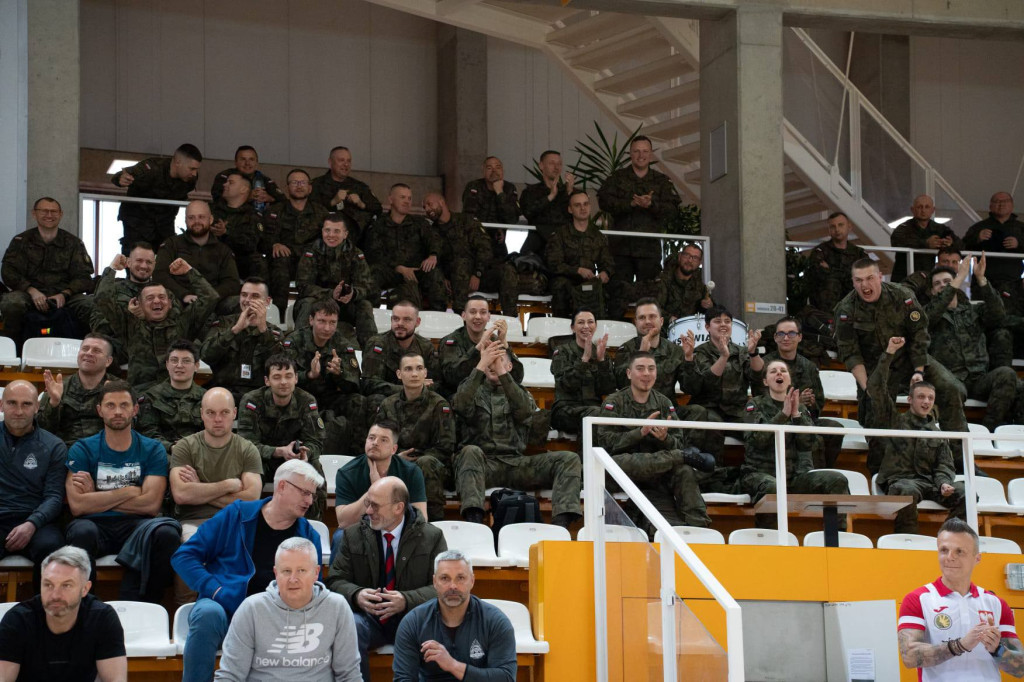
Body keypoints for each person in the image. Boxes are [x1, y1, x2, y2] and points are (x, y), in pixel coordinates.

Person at [171, 459, 325, 682]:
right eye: (304, 493)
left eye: (312, 495)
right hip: (224, 607)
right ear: (282, 486)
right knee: (207, 614)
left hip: (280, 616)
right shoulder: (236, 515)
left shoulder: (309, 536)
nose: (309, 500)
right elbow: (183, 556)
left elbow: (314, 586)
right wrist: (215, 590)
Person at [834, 259, 968, 474]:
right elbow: (850, 353)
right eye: (858, 280)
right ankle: (881, 472)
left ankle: (962, 461)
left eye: (869, 278)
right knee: (875, 413)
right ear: (853, 282)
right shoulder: (846, 309)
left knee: (951, 387)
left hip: (908, 357)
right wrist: (868, 387)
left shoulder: (902, 296)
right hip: (875, 368)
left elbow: (919, 334)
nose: (864, 285)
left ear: (880, 277)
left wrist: (919, 371)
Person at [64, 380, 181, 602]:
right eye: (110, 405)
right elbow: (78, 506)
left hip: (136, 525)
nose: (117, 411)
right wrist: (129, 491)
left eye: (124, 405)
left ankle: (147, 605)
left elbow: (150, 505)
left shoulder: (152, 448)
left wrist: (96, 494)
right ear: (99, 410)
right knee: (81, 531)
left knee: (166, 534)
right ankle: (86, 606)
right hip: (94, 525)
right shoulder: (82, 448)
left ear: (135, 409)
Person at [326, 476, 447, 681]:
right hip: (369, 619)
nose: (368, 511)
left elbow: (443, 587)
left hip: (415, 619)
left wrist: (406, 600)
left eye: (375, 505)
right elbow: (335, 581)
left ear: (398, 508)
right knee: (350, 627)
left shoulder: (432, 536)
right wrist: (356, 595)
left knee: (438, 633)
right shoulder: (352, 535)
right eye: (367, 503)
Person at [452, 341, 582, 528]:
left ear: (509, 366)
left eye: (499, 360)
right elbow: (461, 405)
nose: (493, 364)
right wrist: (481, 363)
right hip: (483, 464)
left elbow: (524, 412)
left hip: (517, 465)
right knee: (469, 452)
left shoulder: (519, 392)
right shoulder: (472, 389)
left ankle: (560, 527)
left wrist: (502, 373)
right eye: (490, 360)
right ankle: (475, 523)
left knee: (568, 459)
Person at [214, 537, 361, 682]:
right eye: (286, 571)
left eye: (301, 570)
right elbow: (230, 676)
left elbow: (349, 675)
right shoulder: (252, 608)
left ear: (316, 572)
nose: (293, 579)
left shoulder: (336, 607)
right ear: (276, 573)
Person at [597, 352, 714, 530]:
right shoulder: (614, 402)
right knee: (621, 461)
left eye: (651, 369)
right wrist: (640, 432)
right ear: (629, 373)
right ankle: (680, 456)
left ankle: (699, 528)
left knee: (684, 470)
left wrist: (665, 438)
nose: (646, 373)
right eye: (640, 368)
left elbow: (678, 441)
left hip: (657, 473)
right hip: (623, 471)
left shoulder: (664, 403)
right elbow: (606, 443)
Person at [897, 518, 1024, 680]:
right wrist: (960, 645)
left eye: (959, 551)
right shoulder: (917, 599)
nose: (950, 557)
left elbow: (1021, 668)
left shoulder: (996, 603)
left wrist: (997, 650)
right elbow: (909, 656)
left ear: (977, 558)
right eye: (944, 550)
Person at [740, 360, 850, 528]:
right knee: (773, 487)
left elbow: (808, 444)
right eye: (773, 371)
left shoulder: (800, 408)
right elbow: (757, 441)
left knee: (837, 480)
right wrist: (783, 415)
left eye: (783, 370)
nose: (779, 373)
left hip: (795, 477)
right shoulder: (754, 405)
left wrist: (796, 415)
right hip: (760, 473)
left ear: (789, 380)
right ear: (765, 381)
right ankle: (770, 540)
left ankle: (836, 537)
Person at [872, 337, 967, 533]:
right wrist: (889, 353)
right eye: (921, 397)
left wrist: (944, 483)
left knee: (965, 493)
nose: (926, 402)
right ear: (909, 399)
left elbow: (945, 465)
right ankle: (907, 542)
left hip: (930, 484)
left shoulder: (937, 432)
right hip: (900, 481)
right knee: (907, 490)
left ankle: (950, 537)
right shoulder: (893, 421)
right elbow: (877, 389)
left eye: (930, 398)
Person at [0, 546, 127, 682]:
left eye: (66, 585)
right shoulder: (17, 620)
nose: (55, 595)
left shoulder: (102, 618)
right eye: (48, 584)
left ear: (85, 589)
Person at [925, 257, 1020, 431]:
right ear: (932, 291)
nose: (943, 285)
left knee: (1007, 375)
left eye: (947, 281)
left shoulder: (973, 311)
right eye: (937, 283)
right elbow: (930, 316)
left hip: (979, 379)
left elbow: (998, 314)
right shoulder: (928, 314)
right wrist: (957, 279)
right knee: (953, 389)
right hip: (952, 380)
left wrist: (981, 280)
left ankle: (989, 431)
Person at [393, 549, 517, 682]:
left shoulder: (495, 621)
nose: (453, 586)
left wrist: (452, 665)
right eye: (445, 578)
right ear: (435, 582)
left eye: (460, 578)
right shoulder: (414, 622)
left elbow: (506, 678)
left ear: (472, 581)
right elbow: (403, 679)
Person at [94, 257, 219, 387]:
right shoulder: (129, 324)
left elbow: (210, 297)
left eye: (162, 297)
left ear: (170, 303)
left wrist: (189, 271)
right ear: (140, 305)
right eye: (150, 298)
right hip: (142, 396)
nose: (157, 301)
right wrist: (112, 269)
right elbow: (102, 299)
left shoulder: (183, 323)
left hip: (175, 395)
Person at [614, 298, 714, 454]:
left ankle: (688, 455)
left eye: (652, 317)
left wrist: (688, 359)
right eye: (642, 318)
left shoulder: (674, 350)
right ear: (635, 323)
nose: (647, 321)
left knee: (698, 411)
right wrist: (642, 353)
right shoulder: (625, 350)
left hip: (666, 411)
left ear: (661, 321)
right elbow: (621, 384)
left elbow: (691, 388)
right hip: (633, 412)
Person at [597, 136, 681, 319]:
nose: (640, 155)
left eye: (644, 151)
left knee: (650, 299)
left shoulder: (661, 181)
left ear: (650, 154)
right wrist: (630, 204)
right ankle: (614, 340)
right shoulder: (617, 178)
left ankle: (649, 342)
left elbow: (673, 209)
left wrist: (651, 204)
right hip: (620, 249)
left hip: (648, 250)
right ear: (630, 154)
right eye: (636, 151)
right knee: (616, 297)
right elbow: (603, 201)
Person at [238, 354, 327, 520]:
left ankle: (313, 522)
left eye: (288, 376)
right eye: (277, 377)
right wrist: (278, 451)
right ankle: (248, 521)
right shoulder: (252, 401)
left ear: (296, 379)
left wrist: (305, 453)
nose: (284, 382)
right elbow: (246, 445)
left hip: (297, 460)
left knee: (315, 468)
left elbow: (316, 441)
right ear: (267, 381)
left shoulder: (306, 401)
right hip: (264, 459)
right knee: (249, 468)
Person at [169, 387, 262, 541]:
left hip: (235, 521)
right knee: (195, 546)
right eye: (211, 412)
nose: (218, 419)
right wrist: (227, 485)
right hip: (193, 523)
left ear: (234, 413)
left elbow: (251, 500)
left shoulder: (247, 449)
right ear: (201, 414)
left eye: (224, 412)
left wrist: (199, 487)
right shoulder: (185, 446)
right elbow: (181, 494)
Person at [0, 197, 95, 346]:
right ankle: (12, 350)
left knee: (91, 305)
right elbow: (8, 272)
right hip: (29, 294)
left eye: (54, 211)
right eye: (44, 211)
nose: (49, 215)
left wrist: (66, 293)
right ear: (34, 213)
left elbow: (84, 276)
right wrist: (30, 290)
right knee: (12, 303)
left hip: (65, 295)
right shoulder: (21, 241)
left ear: (61, 214)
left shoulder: (73, 243)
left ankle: (85, 349)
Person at [0, 381, 67, 586]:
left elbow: (55, 497)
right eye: (12, 403)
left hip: (37, 522)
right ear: (1, 405)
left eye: (26, 404)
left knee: (53, 549)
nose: (19, 411)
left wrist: (31, 524)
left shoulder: (54, 446)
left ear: (37, 407)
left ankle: (43, 614)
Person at [283, 298, 368, 457]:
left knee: (359, 401)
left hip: (330, 396)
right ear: (311, 320)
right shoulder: (294, 341)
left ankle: (357, 455)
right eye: (322, 321)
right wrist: (308, 375)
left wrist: (339, 374)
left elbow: (355, 383)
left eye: (332, 322)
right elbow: (283, 379)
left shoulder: (342, 343)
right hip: (301, 397)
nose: (327, 328)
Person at [377, 352, 455, 522]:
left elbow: (446, 446)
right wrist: (396, 459)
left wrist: (415, 461)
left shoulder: (439, 405)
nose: (414, 374)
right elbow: (379, 441)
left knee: (426, 464)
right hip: (395, 461)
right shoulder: (388, 405)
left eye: (419, 368)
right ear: (399, 374)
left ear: (425, 373)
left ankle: (433, 524)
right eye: (408, 369)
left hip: (433, 466)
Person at [762, 316, 843, 468]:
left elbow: (819, 403)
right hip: (774, 420)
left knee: (835, 429)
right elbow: (761, 399)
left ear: (799, 337)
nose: (786, 338)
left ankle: (823, 472)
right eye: (781, 334)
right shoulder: (766, 365)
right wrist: (795, 402)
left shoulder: (809, 367)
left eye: (791, 334)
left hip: (804, 419)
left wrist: (811, 403)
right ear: (775, 337)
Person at [424, 192, 519, 317]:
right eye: (424, 207)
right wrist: (443, 277)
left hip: (479, 275)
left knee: (507, 270)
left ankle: (510, 319)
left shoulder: (466, 221)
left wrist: (477, 273)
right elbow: (431, 259)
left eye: (430, 204)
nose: (427, 209)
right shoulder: (431, 231)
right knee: (460, 264)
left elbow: (484, 248)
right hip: (453, 280)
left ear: (442, 202)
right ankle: (462, 318)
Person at [294, 211, 376, 345]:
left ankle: (370, 351)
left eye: (336, 231)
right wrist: (331, 294)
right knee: (307, 303)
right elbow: (303, 286)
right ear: (322, 231)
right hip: (317, 303)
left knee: (364, 305)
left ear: (345, 234)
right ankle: (299, 347)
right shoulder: (311, 251)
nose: (331, 235)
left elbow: (366, 286)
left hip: (344, 305)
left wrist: (352, 293)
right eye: (327, 230)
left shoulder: (356, 254)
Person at [363, 184, 447, 311]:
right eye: (403, 197)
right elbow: (373, 253)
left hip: (416, 271)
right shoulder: (378, 224)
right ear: (391, 199)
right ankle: (370, 314)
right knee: (372, 273)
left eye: (409, 198)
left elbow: (434, 240)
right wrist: (398, 268)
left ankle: (437, 316)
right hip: (390, 271)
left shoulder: (419, 222)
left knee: (435, 273)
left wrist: (433, 255)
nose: (407, 201)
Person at [201, 277, 285, 403]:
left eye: (255, 296)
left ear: (267, 301)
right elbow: (206, 355)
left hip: (260, 395)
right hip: (223, 392)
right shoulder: (223, 324)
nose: (248, 300)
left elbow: (280, 367)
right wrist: (235, 330)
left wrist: (263, 330)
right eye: (244, 295)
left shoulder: (274, 332)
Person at [333, 422, 428, 532]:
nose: (375, 443)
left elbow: (421, 519)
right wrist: (373, 490)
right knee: (340, 537)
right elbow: (343, 522)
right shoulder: (347, 473)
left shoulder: (411, 472)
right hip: (360, 530)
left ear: (394, 449)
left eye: (383, 440)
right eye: (371, 438)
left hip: (398, 530)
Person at [111, 143, 202, 253]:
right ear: (178, 162)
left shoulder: (191, 179)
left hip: (164, 224)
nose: (194, 173)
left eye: (196, 169)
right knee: (137, 260)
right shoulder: (152, 168)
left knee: (168, 259)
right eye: (191, 168)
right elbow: (121, 175)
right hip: (138, 223)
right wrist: (121, 179)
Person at [266, 168, 331, 319]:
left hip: (311, 259)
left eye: (303, 182)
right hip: (285, 259)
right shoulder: (276, 211)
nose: (299, 186)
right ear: (287, 187)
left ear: (310, 187)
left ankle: (314, 317)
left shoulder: (321, 212)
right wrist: (274, 244)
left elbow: (328, 240)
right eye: (294, 182)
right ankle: (279, 318)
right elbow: (266, 238)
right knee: (279, 264)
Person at [38, 333, 120, 447]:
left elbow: (130, 427)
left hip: (106, 449)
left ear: (108, 361)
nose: (89, 353)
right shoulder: (59, 387)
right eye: (85, 349)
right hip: (66, 451)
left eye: (96, 350)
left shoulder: (119, 389)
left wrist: (113, 404)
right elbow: (42, 430)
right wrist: (54, 403)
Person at [153, 199, 241, 305]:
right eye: (191, 217)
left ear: (211, 219)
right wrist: (184, 294)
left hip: (214, 303)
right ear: (185, 220)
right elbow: (159, 275)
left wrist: (210, 296)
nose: (196, 221)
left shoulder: (223, 250)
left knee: (241, 303)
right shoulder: (171, 244)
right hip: (179, 302)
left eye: (201, 217)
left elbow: (232, 282)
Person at [437, 296, 523, 399]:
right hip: (460, 399)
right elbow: (452, 378)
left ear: (488, 317)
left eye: (483, 312)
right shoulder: (451, 341)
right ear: (464, 316)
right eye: (473, 312)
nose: (478, 316)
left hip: (489, 399)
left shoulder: (494, 340)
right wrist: (478, 349)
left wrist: (504, 343)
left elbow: (517, 378)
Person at [545, 190, 614, 318]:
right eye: (577, 205)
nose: (583, 208)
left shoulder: (598, 236)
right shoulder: (560, 235)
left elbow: (608, 262)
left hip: (591, 282)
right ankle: (563, 332)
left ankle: (603, 331)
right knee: (560, 285)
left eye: (586, 204)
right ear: (570, 209)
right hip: (568, 281)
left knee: (615, 288)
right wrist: (577, 270)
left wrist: (605, 273)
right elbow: (554, 264)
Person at [89, 245, 161, 362]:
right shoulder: (111, 290)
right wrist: (112, 268)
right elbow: (98, 325)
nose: (144, 266)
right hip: (119, 351)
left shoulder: (163, 294)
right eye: (139, 261)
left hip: (155, 351)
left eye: (149, 262)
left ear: (154, 264)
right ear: (128, 262)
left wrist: (147, 317)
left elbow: (174, 326)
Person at [550, 308, 615, 434]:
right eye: (581, 322)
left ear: (595, 326)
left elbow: (608, 389)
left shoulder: (600, 352)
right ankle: (586, 454)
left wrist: (602, 361)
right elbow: (566, 385)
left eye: (590, 322)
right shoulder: (562, 351)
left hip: (594, 408)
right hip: (566, 410)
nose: (586, 326)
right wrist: (584, 360)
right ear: (573, 328)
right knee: (595, 415)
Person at [137, 339, 206, 455]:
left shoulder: (207, 398)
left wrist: (193, 447)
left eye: (186, 361)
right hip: (162, 454)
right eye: (174, 360)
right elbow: (148, 433)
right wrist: (172, 447)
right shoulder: (151, 396)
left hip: (200, 453)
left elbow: (213, 430)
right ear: (167, 364)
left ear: (196, 366)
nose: (179, 365)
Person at [361, 301, 440, 401]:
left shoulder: (426, 346)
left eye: (406, 319)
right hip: (387, 401)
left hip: (417, 401)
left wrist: (417, 390)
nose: (400, 323)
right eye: (396, 319)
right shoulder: (377, 344)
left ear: (417, 322)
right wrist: (410, 388)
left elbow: (436, 382)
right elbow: (369, 384)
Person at [310, 146, 383, 241]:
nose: (346, 164)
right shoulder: (317, 185)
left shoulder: (359, 186)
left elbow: (378, 208)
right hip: (323, 239)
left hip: (355, 241)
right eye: (341, 160)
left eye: (349, 161)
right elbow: (308, 210)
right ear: (330, 162)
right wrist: (333, 202)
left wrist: (362, 204)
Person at [211, 170, 271, 280]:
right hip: (212, 258)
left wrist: (226, 233)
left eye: (231, 182)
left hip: (240, 262)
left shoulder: (253, 216)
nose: (225, 184)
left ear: (243, 189)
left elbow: (250, 244)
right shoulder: (212, 210)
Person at [890, 194, 964, 283]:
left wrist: (950, 243)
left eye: (927, 207)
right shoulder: (904, 227)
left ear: (933, 210)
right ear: (912, 210)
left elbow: (961, 245)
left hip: (928, 279)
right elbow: (897, 241)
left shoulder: (940, 228)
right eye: (919, 207)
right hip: (903, 277)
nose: (923, 210)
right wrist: (925, 243)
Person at [804, 212, 865, 316]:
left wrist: (830, 270)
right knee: (831, 283)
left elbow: (864, 277)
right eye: (833, 226)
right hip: (826, 311)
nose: (837, 229)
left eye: (841, 225)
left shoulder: (859, 253)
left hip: (854, 307)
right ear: (829, 230)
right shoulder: (820, 251)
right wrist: (850, 275)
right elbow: (818, 276)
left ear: (849, 227)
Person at [461, 156, 520, 261]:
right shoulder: (474, 186)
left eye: (498, 167)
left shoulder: (509, 188)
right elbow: (469, 215)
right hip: (475, 238)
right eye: (489, 168)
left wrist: (500, 193)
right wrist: (491, 229)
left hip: (498, 241)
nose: (494, 171)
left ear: (503, 170)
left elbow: (512, 219)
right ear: (483, 171)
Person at [963, 191, 1024, 291]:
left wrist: (1019, 244)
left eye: (1005, 201)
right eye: (997, 201)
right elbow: (962, 249)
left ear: (1012, 205)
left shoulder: (1021, 228)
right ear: (990, 206)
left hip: (1014, 283)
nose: (1001, 204)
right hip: (983, 282)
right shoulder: (978, 227)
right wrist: (977, 239)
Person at [519, 149, 574, 257]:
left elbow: (575, 215)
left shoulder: (567, 191)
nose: (556, 167)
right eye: (552, 163)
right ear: (541, 166)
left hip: (563, 245)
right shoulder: (531, 191)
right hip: (537, 243)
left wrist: (569, 192)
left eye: (559, 164)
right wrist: (550, 196)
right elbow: (528, 212)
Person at [210, 145, 284, 211]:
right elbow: (217, 200)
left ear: (256, 163)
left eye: (251, 159)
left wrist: (269, 198)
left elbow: (283, 201)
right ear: (235, 162)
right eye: (243, 159)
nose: (247, 163)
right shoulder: (226, 177)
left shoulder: (264, 180)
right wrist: (246, 197)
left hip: (257, 220)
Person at [659, 241, 714, 322]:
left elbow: (709, 313)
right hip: (665, 331)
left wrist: (710, 306)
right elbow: (653, 308)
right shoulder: (663, 281)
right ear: (680, 256)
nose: (690, 260)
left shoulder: (700, 286)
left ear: (699, 263)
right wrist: (669, 318)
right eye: (687, 255)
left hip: (691, 331)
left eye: (695, 258)